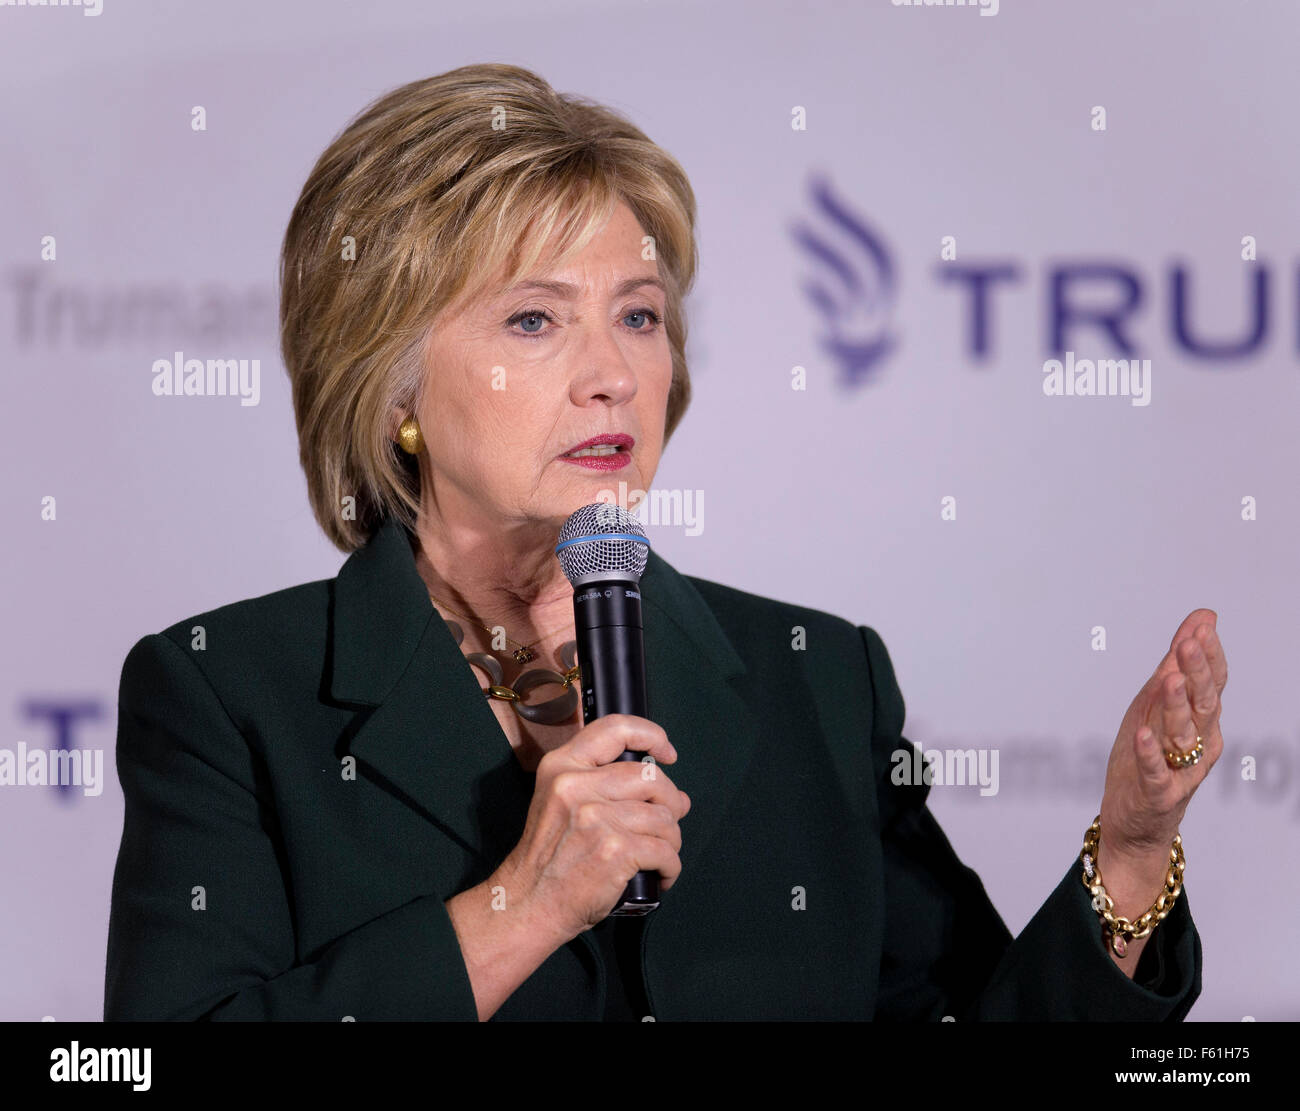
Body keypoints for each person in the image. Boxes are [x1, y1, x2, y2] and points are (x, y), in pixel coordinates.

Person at [104, 63, 1224, 1022]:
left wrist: (1125, 855)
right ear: (390, 378)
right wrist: (523, 905)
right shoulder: (225, 693)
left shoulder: (816, 676)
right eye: (534, 320)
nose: (613, 375)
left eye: (638, 315)